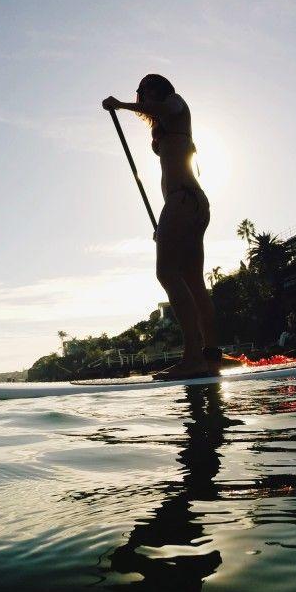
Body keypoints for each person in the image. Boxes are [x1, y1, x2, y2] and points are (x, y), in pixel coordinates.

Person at [103, 75, 221, 379]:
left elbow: (162, 108)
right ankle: (212, 355)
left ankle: (193, 358)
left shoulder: (176, 103)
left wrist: (120, 105)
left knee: (166, 273)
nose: (140, 97)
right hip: (188, 204)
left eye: (143, 92)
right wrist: (167, 224)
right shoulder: (166, 119)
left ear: (155, 90)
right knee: (193, 280)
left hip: (182, 200)